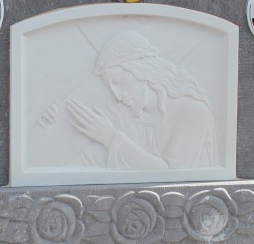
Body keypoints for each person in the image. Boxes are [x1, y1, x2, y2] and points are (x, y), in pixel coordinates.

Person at [65, 31, 217, 170]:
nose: (117, 96)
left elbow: (172, 175)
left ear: (142, 69)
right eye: (110, 87)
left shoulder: (192, 111)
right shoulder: (137, 121)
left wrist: (110, 138)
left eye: (117, 80)